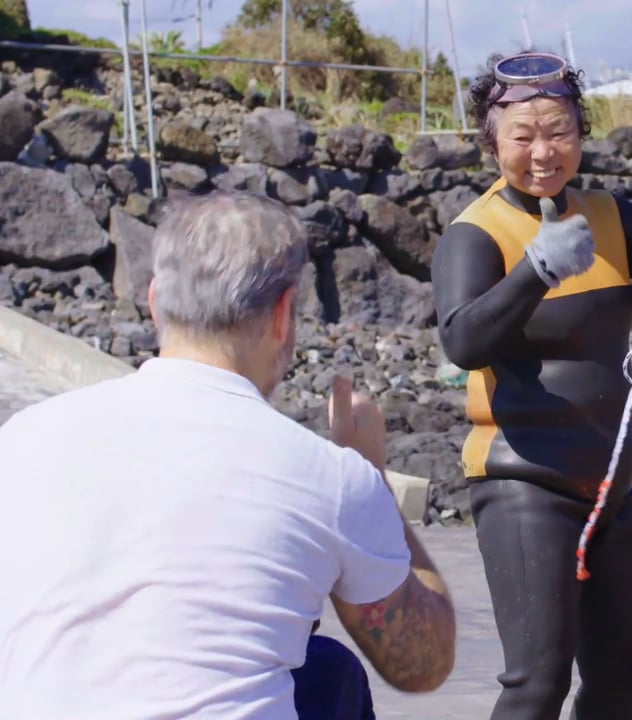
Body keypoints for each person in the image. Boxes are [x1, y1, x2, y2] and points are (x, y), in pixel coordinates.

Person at [0, 192, 457, 719]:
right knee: (330, 675)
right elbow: (422, 664)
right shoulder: (327, 476)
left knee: (327, 670)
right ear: (283, 314)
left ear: (154, 300)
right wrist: (372, 477)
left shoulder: (21, 437)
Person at [431, 50, 632, 720]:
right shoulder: (476, 233)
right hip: (524, 483)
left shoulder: (610, 216)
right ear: (492, 142)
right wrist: (535, 271)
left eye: (560, 133)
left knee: (615, 684)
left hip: (616, 486)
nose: (543, 152)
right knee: (537, 685)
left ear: (581, 134)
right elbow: (463, 341)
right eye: (523, 137)